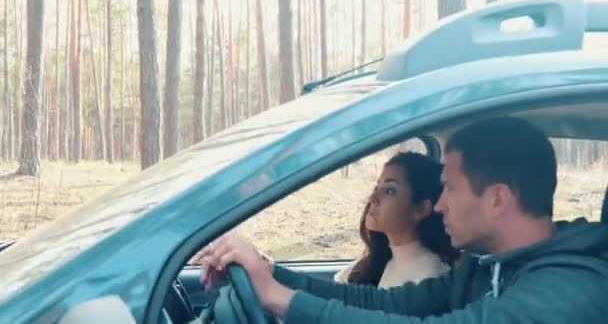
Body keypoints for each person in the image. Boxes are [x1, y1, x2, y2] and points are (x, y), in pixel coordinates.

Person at [201, 117, 608, 323]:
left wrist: (280, 300)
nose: (440, 204)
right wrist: (271, 274)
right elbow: (389, 304)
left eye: (449, 188)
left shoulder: (566, 292)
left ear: (497, 198)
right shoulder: (488, 269)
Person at [334, 152, 457, 287]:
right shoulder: (377, 261)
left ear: (420, 209)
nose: (373, 197)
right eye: (377, 187)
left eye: (390, 191)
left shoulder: (429, 276)